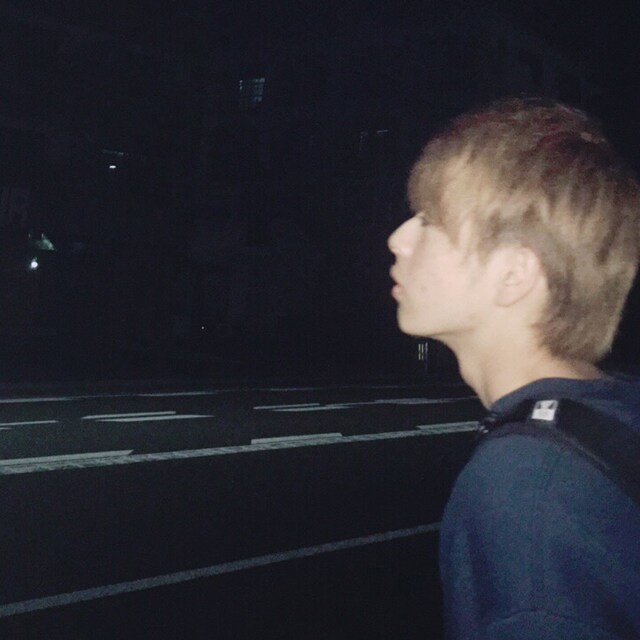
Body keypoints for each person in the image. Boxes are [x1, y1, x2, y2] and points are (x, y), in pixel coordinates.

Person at [387, 97, 640, 639]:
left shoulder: (525, 492)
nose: (398, 239)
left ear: (513, 276)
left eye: (430, 220)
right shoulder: (613, 414)